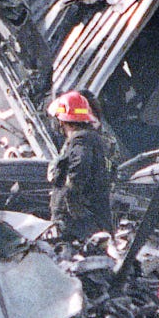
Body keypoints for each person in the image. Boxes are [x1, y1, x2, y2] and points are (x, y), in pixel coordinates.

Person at [45, 90, 115, 241]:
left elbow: (78, 170)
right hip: (88, 223)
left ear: (61, 121)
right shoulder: (91, 139)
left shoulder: (81, 140)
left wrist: (71, 203)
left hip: (79, 227)